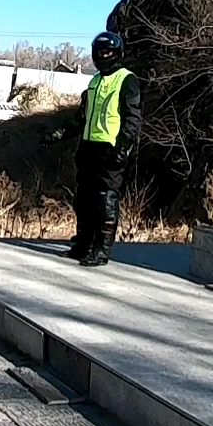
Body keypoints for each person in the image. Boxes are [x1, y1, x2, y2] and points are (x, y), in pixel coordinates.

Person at [59, 31, 141, 267]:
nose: (103, 55)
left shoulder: (126, 79)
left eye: (108, 52)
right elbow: (82, 117)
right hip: (88, 148)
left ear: (117, 54)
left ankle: (101, 250)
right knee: (83, 199)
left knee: (105, 200)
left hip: (111, 148)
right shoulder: (94, 81)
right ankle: (83, 244)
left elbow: (132, 119)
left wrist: (123, 148)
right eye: (100, 52)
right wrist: (59, 135)